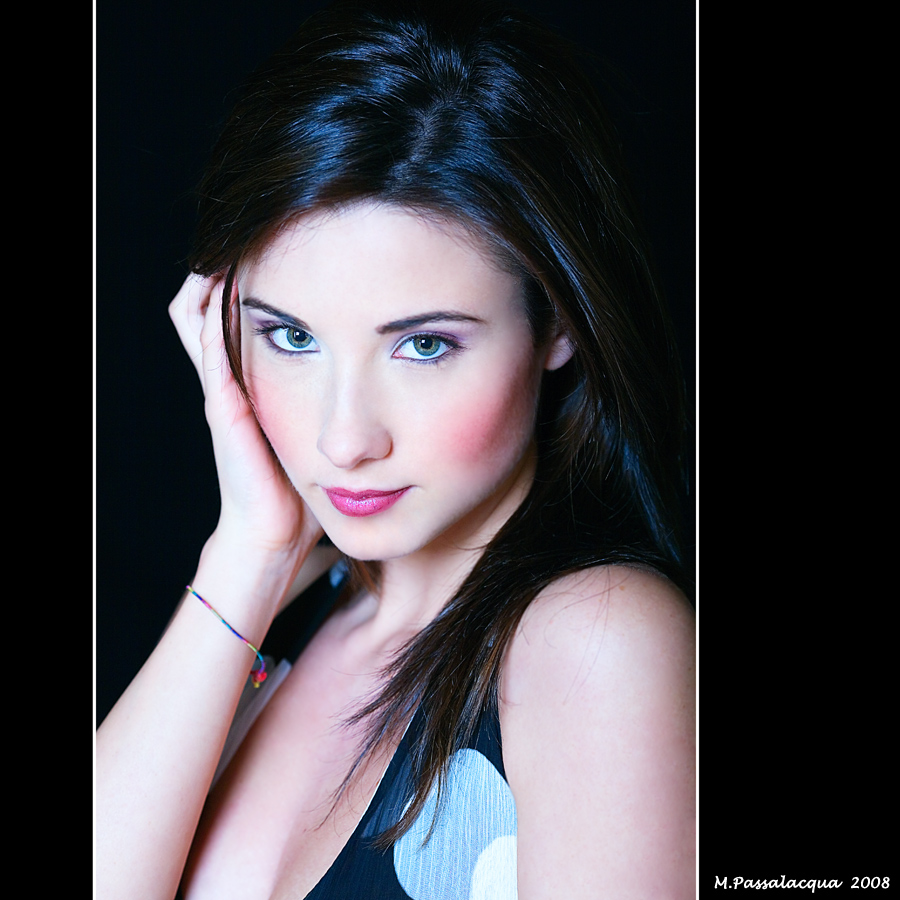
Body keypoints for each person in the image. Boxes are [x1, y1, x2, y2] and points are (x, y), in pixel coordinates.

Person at [95, 0, 695, 897]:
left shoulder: (592, 640)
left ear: (558, 323)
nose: (343, 439)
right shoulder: (285, 616)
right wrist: (248, 555)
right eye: (292, 338)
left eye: (423, 345)